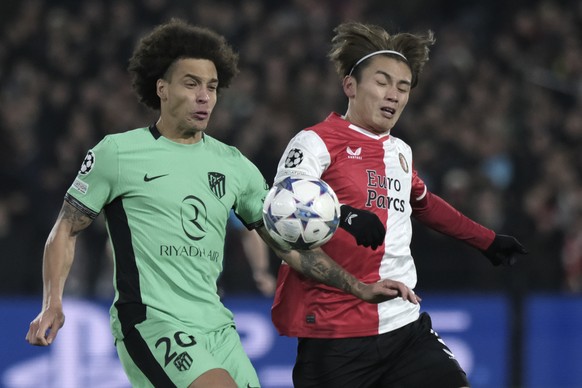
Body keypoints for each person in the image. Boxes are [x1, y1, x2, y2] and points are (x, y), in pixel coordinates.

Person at [25, 19, 417, 388]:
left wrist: (359, 288)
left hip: (218, 327)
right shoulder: (118, 153)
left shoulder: (234, 165)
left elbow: (288, 246)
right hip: (152, 322)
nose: (203, 97)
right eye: (191, 84)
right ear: (161, 88)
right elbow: (66, 229)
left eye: (212, 87)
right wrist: (52, 303)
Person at [271, 21, 528, 388]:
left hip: (404, 327)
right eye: (382, 82)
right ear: (350, 86)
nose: (393, 94)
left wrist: (485, 240)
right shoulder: (314, 142)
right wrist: (343, 215)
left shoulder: (400, 152)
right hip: (335, 336)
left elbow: (424, 204)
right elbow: (283, 208)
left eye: (403, 87)